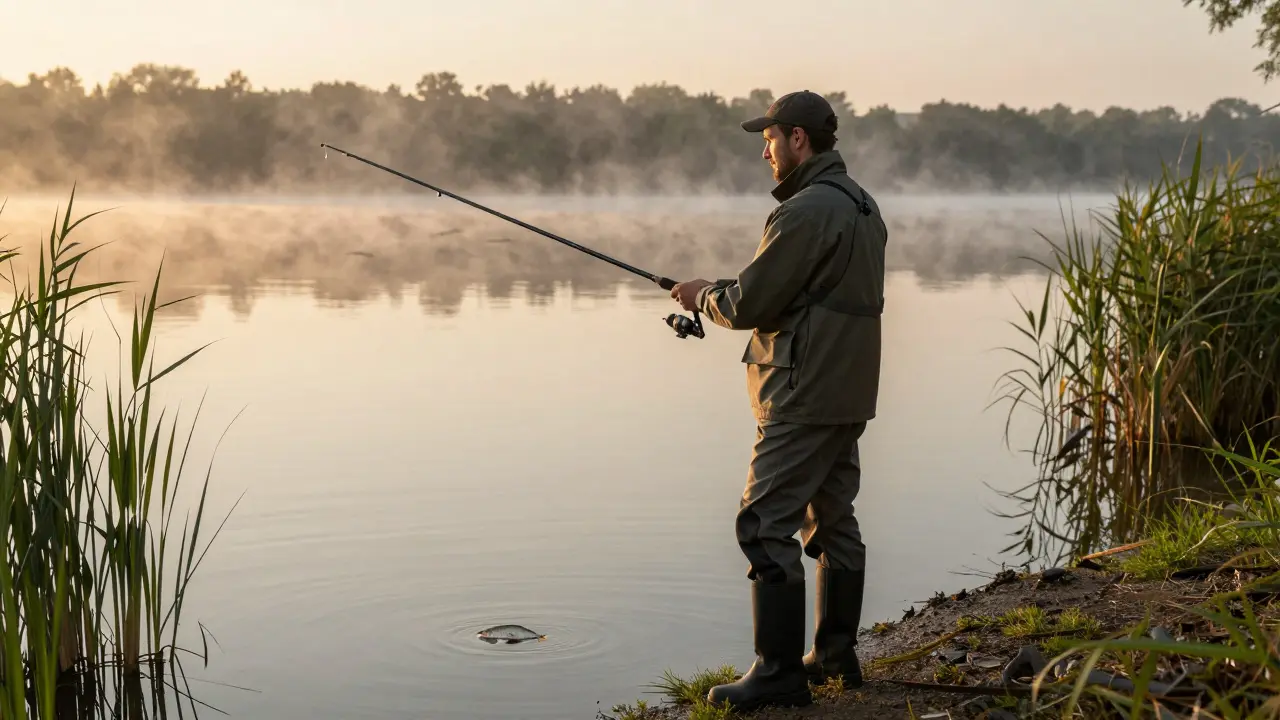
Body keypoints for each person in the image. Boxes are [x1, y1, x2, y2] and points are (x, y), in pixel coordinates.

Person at [670, 90, 887, 712]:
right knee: (834, 519)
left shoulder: (807, 210)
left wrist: (704, 294)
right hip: (847, 391)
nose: (764, 151)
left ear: (798, 139)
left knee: (763, 524)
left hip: (802, 391)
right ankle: (837, 656)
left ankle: (778, 673)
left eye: (769, 139)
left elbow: (750, 304)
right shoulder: (862, 205)